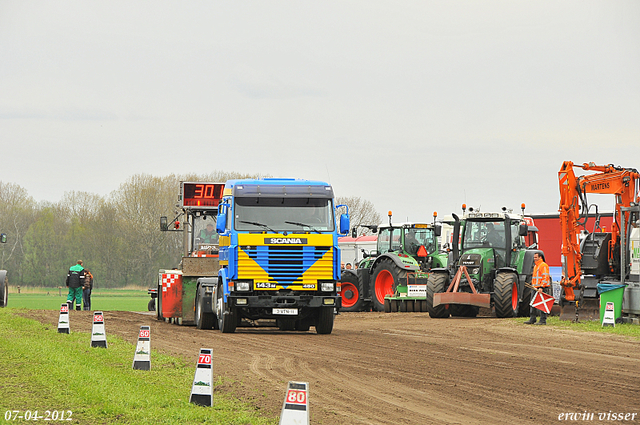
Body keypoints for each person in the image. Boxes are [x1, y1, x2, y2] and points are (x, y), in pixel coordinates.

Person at [525, 252, 551, 325]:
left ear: (540, 257)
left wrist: (541, 287)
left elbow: (545, 277)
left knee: (542, 304)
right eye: (534, 257)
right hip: (535, 288)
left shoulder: (543, 265)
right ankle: (532, 319)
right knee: (533, 303)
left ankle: (543, 320)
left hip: (541, 288)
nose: (534, 259)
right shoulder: (536, 266)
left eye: (536, 257)